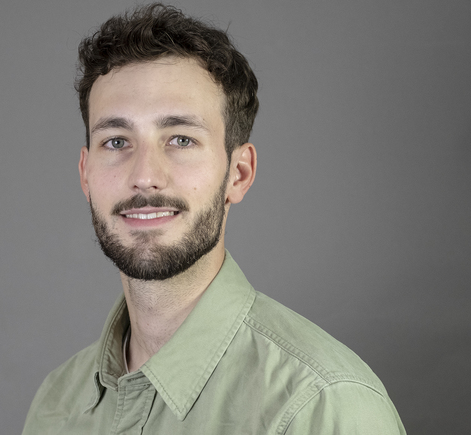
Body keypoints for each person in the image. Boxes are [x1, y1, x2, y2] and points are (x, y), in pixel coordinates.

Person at [22, 3, 406, 434]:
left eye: (181, 139)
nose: (144, 175)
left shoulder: (321, 405)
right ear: (85, 174)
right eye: (116, 141)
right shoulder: (57, 403)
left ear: (238, 174)